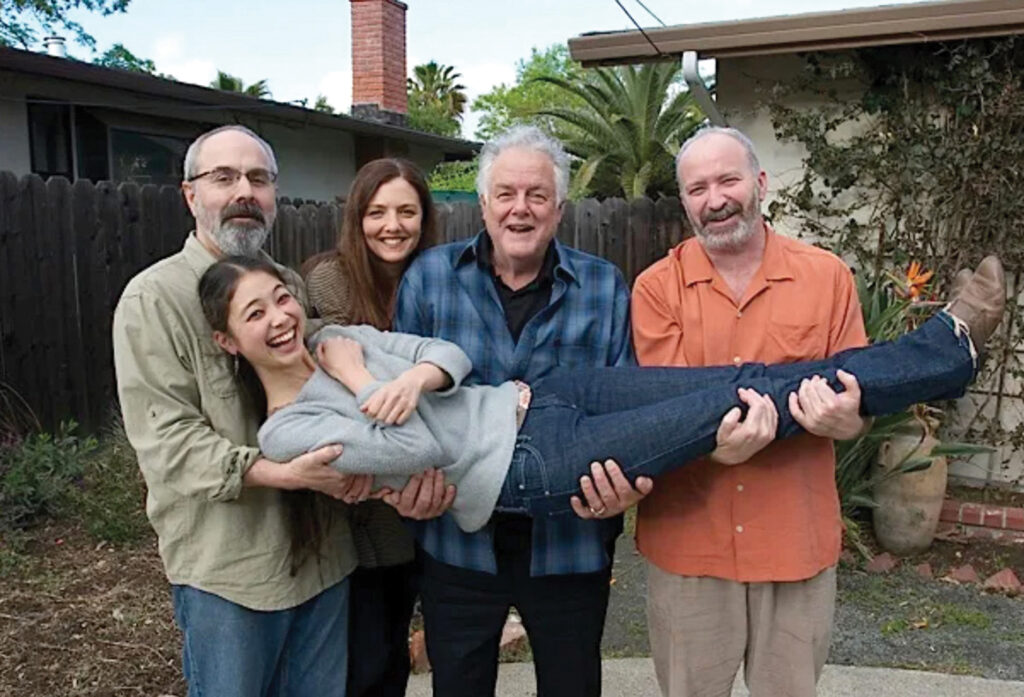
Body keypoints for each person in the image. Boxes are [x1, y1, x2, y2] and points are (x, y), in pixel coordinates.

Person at [200, 254, 1000, 536]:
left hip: (543, 393)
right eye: (255, 314)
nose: (281, 319)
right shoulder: (288, 430)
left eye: (282, 298)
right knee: (737, 397)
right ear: (228, 341)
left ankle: (941, 349)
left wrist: (409, 371)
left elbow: (451, 354)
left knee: (741, 372)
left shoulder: (345, 333)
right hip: (530, 460)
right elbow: (422, 447)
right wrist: (364, 375)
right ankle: (944, 350)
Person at [630, 126, 1004, 697]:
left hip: (792, 539)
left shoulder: (824, 275)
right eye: (697, 188)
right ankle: (949, 347)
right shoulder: (656, 288)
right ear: (684, 202)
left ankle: (948, 346)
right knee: (714, 404)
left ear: (758, 183)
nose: (715, 199)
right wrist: (714, 436)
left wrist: (848, 422)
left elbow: (856, 402)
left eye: (728, 180)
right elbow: (685, 415)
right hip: (691, 544)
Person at [112, 124, 373, 697]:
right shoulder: (154, 301)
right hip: (232, 574)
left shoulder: (285, 286)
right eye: (223, 177)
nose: (244, 192)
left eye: (259, 179)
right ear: (190, 195)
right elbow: (169, 442)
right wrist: (283, 474)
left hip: (323, 560)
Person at [392, 125, 649, 697]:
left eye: (536, 195)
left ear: (559, 208)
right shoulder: (430, 280)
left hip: (571, 538)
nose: (520, 209)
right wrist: (406, 484)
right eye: (505, 194)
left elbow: (623, 409)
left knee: (572, 686)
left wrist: (625, 483)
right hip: (456, 537)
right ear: (483, 204)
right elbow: (399, 408)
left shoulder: (603, 288)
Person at [303, 158, 450, 697]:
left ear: (424, 218)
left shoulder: (444, 276)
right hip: (366, 499)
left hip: (436, 489)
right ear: (356, 218)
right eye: (377, 212)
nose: (393, 225)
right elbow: (342, 376)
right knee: (369, 657)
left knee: (430, 651)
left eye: (407, 211)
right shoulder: (330, 280)